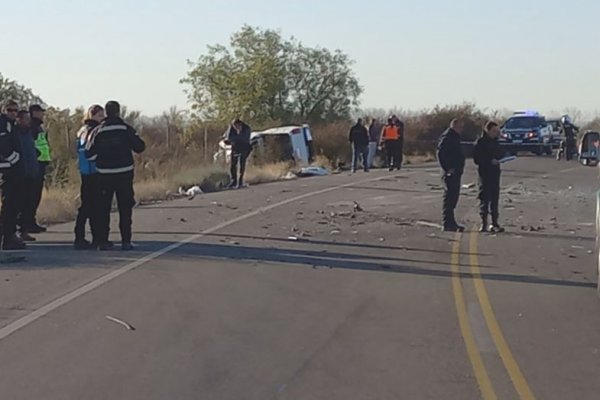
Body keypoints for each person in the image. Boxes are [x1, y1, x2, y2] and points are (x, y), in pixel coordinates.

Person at [86, 101, 145, 251]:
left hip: (104, 175)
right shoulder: (125, 129)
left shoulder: (98, 131)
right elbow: (140, 147)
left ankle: (103, 242)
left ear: (106, 113)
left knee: (103, 208)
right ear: (119, 112)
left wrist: (102, 159)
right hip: (124, 174)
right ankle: (126, 241)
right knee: (125, 208)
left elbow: (88, 153)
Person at [74, 105, 105, 250]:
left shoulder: (81, 131)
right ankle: (95, 238)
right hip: (94, 171)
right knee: (93, 207)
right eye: (99, 116)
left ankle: (83, 237)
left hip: (85, 172)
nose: (102, 119)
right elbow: (91, 151)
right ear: (92, 116)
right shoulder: (94, 131)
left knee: (87, 206)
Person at [0, 101, 26, 250]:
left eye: (16, 110)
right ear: (4, 110)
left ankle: (9, 236)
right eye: (10, 110)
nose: (13, 113)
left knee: (12, 204)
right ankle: (8, 238)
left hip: (12, 169)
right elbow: (2, 143)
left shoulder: (11, 124)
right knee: (10, 204)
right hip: (7, 169)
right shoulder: (4, 124)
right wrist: (14, 158)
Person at [473, 121, 505, 233]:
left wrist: (500, 157)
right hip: (484, 173)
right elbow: (476, 159)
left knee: (495, 199)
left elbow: (501, 153)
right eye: (494, 131)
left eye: (497, 131)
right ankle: (484, 223)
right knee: (484, 199)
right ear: (488, 130)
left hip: (495, 173)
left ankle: (495, 223)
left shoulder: (496, 142)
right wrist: (489, 161)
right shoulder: (481, 142)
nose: (496, 133)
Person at [14, 110, 40, 242]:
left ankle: (24, 231)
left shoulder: (29, 133)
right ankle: (15, 232)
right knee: (18, 204)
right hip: (20, 174)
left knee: (28, 204)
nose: (28, 121)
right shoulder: (15, 133)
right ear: (19, 119)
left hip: (31, 173)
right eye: (26, 119)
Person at [437, 118, 466, 232]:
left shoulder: (454, 136)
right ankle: (447, 223)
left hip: (456, 171)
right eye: (460, 127)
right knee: (449, 197)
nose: (461, 129)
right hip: (450, 172)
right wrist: (447, 169)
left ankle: (451, 222)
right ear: (454, 126)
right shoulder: (447, 137)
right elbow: (440, 153)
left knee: (453, 197)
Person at [29, 104, 50, 233]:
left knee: (36, 195)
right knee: (31, 195)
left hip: (40, 163)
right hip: (35, 165)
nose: (43, 114)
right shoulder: (32, 126)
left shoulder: (38, 126)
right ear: (34, 112)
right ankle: (27, 222)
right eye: (40, 112)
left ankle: (31, 221)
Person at [224, 118, 252, 189]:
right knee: (233, 164)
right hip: (235, 147)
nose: (235, 128)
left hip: (245, 147)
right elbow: (229, 137)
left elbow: (244, 139)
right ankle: (233, 181)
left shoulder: (247, 129)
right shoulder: (231, 128)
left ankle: (240, 181)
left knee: (242, 163)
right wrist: (230, 140)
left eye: (237, 127)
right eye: (234, 127)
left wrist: (236, 137)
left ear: (240, 125)